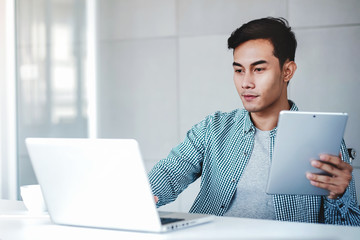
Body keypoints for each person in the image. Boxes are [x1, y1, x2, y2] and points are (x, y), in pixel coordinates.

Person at [148, 17, 360, 225]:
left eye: (258, 69)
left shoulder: (323, 138)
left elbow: (349, 230)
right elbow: (167, 175)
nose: (246, 82)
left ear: (287, 71)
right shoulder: (212, 129)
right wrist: (137, 197)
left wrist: (339, 197)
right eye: (239, 70)